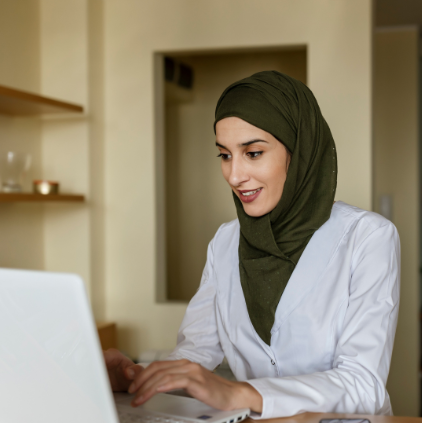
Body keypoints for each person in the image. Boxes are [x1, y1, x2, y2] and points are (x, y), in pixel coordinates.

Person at [104, 70, 400, 419]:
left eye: (253, 153)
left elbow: (363, 384)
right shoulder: (225, 242)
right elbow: (196, 355)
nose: (234, 175)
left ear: (299, 151)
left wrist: (242, 393)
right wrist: (136, 378)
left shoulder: (368, 238)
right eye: (225, 155)